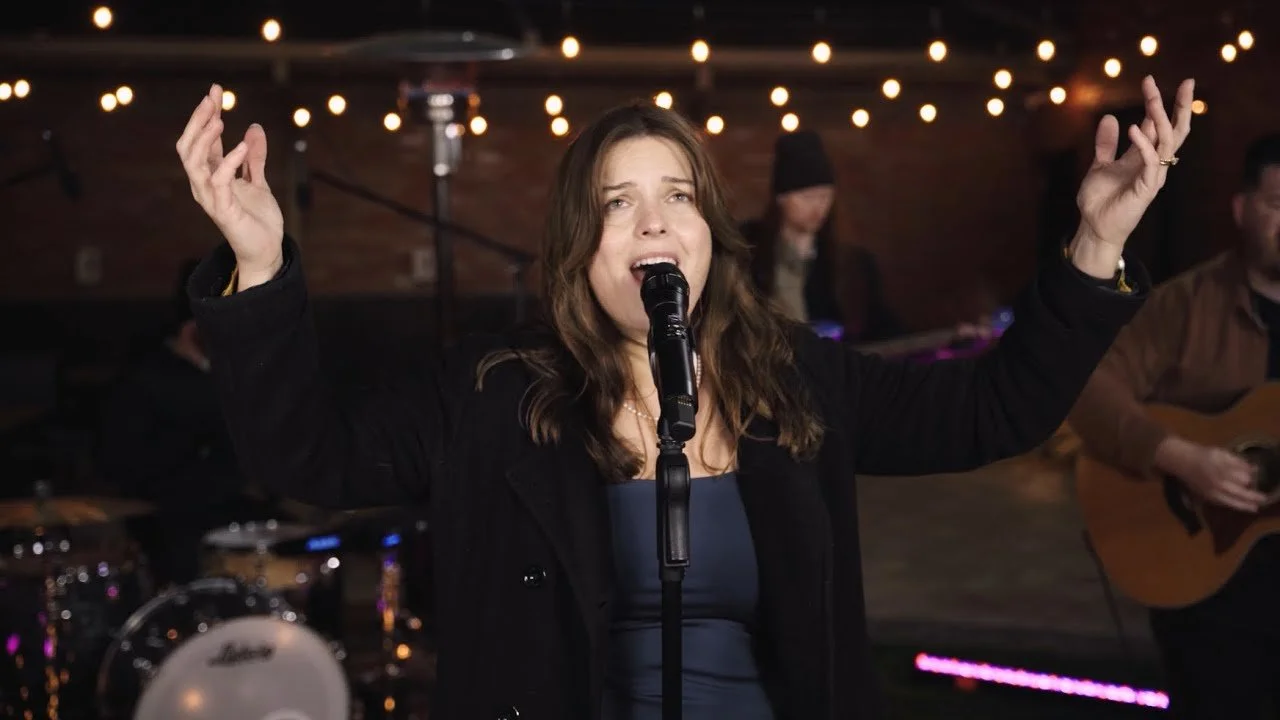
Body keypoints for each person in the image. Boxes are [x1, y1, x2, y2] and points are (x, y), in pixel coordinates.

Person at [176, 75, 1190, 719]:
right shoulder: (490, 395)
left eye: (677, 197)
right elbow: (304, 454)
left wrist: (1094, 245)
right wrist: (257, 263)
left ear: (709, 235)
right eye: (617, 204)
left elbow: (990, 411)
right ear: (579, 251)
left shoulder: (794, 377)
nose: (653, 223)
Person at [1068, 133, 1280, 719]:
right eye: (1278, 204)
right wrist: (1178, 456)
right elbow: (1089, 387)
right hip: (1207, 578)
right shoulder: (1185, 304)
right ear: (1242, 209)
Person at [97, 260, 279, 588]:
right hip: (175, 525)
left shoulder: (231, 374)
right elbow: (125, 470)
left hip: (237, 513)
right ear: (194, 325)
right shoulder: (145, 382)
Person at [740, 130, 987, 346]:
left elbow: (883, 327)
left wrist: (946, 336)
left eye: (825, 196)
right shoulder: (748, 254)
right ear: (781, 197)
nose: (818, 206)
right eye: (807, 197)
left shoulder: (852, 264)